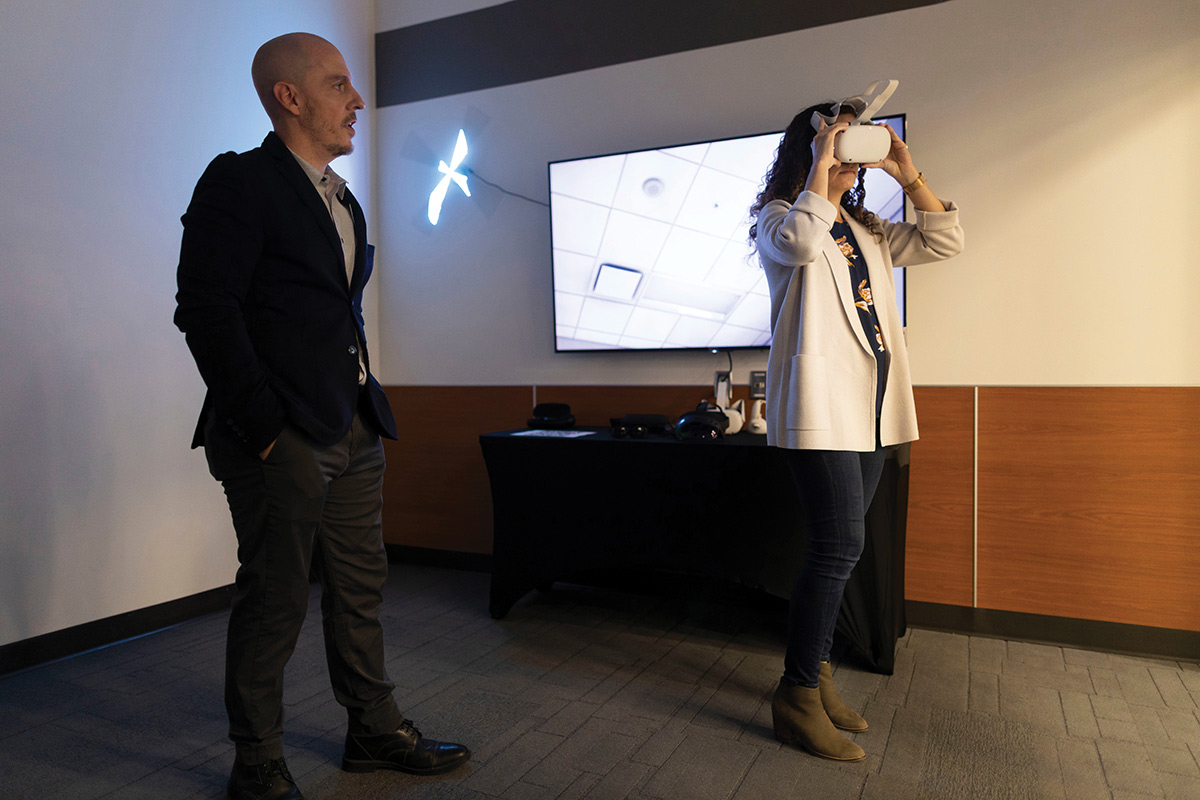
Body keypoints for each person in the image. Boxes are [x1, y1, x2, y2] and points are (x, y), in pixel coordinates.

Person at [174, 32, 470, 800]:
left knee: (361, 587)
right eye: (340, 85)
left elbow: (330, 314)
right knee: (275, 596)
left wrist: (360, 407)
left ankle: (372, 729)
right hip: (279, 436)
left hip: (352, 424)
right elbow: (206, 312)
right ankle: (258, 761)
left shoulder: (341, 197)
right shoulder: (238, 183)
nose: (358, 100)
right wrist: (269, 428)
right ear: (291, 97)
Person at [748, 98, 964, 761]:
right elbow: (801, 244)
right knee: (838, 545)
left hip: (869, 406)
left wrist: (906, 171)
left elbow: (943, 240)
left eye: (849, 143)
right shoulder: (779, 219)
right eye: (834, 142)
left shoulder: (865, 227)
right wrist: (820, 170)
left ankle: (816, 675)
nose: (845, 153)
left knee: (843, 546)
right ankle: (796, 694)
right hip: (821, 403)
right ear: (808, 150)